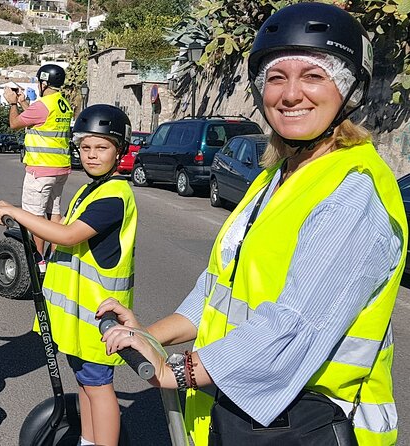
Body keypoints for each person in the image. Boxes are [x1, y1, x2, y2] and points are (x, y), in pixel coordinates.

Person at [100, 3, 407, 446]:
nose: (290, 94)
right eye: (277, 78)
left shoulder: (353, 193)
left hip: (311, 424)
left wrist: (180, 371)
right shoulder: (275, 177)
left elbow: (295, 324)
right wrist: (148, 334)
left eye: (314, 76)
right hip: (247, 415)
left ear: (349, 90)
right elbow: (219, 291)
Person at [0, 104, 136, 446]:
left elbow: (69, 235)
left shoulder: (115, 197)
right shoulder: (92, 190)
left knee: (100, 389)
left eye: (101, 148)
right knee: (85, 384)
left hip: (99, 318)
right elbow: (63, 227)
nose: (91, 155)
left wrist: (18, 211)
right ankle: (88, 441)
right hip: (78, 319)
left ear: (120, 151)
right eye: (85, 147)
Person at [3, 64, 73, 272]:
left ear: (44, 83)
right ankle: (54, 257)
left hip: (40, 170)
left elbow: (15, 123)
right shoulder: (62, 104)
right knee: (55, 213)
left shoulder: (43, 105)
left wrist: (13, 104)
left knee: (34, 219)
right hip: (60, 169)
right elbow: (39, 121)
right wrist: (24, 102)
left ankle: (39, 261)